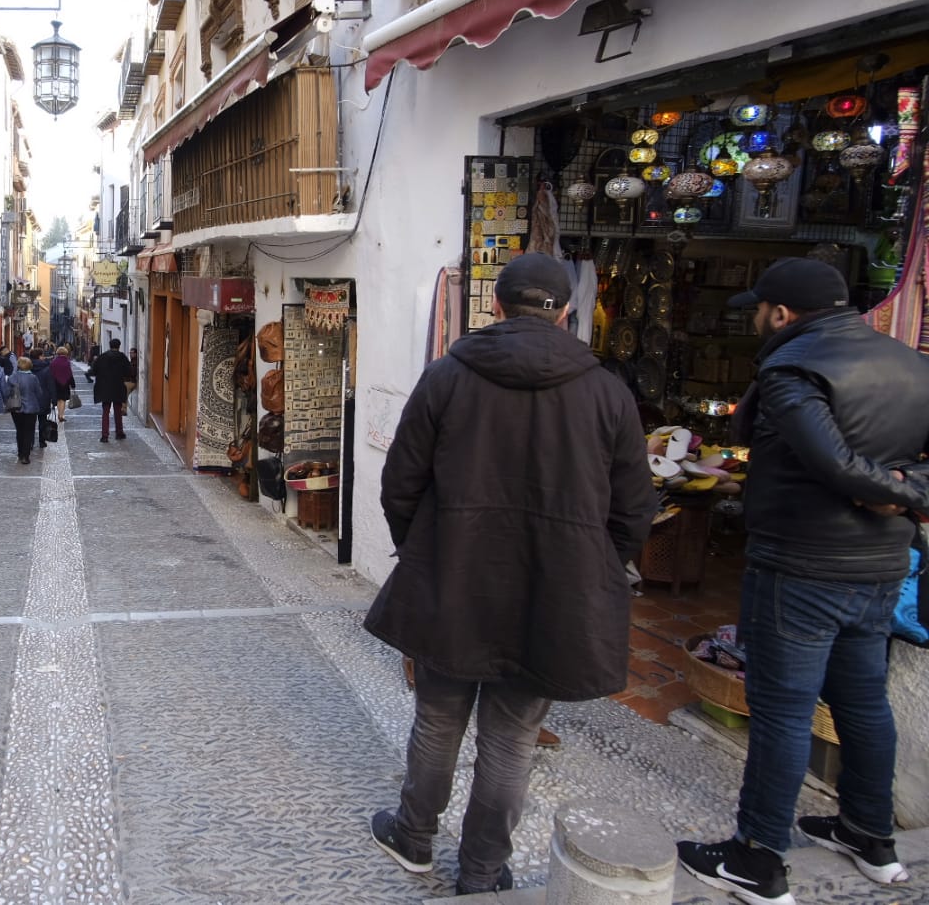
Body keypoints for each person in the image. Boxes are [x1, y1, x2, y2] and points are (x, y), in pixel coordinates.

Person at [363, 252, 653, 896]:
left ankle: (414, 838)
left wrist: (426, 551)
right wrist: (596, 570)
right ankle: (483, 871)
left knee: (438, 720)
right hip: (553, 592)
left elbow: (400, 483)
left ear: (496, 305)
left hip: (455, 579)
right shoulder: (607, 391)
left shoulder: (446, 376)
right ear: (568, 311)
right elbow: (635, 509)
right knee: (512, 738)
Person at [677, 258, 929, 904]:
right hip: (876, 569)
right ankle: (869, 837)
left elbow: (834, 464)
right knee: (863, 702)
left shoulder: (793, 369)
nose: (758, 320)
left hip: (801, 569)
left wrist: (892, 492)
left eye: (761, 310)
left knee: (784, 714)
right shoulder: (909, 362)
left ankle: (756, 861)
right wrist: (909, 492)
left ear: (782, 314)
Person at [88, 338, 134, 444]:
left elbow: (93, 370)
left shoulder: (102, 357)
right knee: (118, 411)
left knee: (105, 411)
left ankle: (105, 435)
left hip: (104, 388)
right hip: (117, 387)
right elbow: (129, 372)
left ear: (109, 345)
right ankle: (119, 432)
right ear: (119, 346)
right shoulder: (122, 357)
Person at [8, 357, 48, 464]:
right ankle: (25, 456)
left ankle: (20, 453)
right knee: (29, 432)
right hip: (31, 408)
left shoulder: (13, 377)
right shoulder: (33, 378)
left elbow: (7, 391)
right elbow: (39, 393)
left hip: (16, 408)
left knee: (19, 431)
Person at [30, 348, 56, 452]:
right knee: (42, 421)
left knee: (30, 423)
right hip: (43, 398)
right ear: (40, 356)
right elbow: (51, 385)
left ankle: (30, 442)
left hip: (30, 398)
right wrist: (54, 399)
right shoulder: (47, 368)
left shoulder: (26, 367)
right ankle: (41, 441)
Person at [50, 345, 75, 424]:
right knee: (63, 400)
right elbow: (70, 374)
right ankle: (61, 415)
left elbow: (51, 373)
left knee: (58, 399)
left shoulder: (53, 362)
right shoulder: (67, 362)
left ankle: (59, 415)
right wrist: (72, 384)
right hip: (65, 383)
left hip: (55, 383)